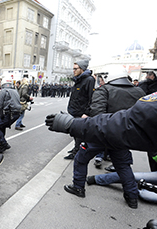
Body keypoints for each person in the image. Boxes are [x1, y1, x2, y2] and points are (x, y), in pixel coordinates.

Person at [61, 65, 145, 208]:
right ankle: (132, 198)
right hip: (122, 137)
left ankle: (78, 187)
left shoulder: (104, 90)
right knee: (123, 166)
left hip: (101, 135)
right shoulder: (139, 92)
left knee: (81, 159)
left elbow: (98, 116)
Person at [64, 59, 95, 160]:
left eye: (75, 69)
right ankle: (75, 149)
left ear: (82, 69)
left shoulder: (89, 80)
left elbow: (91, 97)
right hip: (75, 111)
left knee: (79, 134)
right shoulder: (78, 79)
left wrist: (86, 113)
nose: (74, 71)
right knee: (74, 132)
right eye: (73, 69)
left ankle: (77, 152)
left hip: (81, 113)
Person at [0, 82, 21, 153]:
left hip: (9, 113)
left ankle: (4, 144)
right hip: (16, 113)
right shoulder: (15, 91)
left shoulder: (3, 91)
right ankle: (1, 143)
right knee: (2, 125)